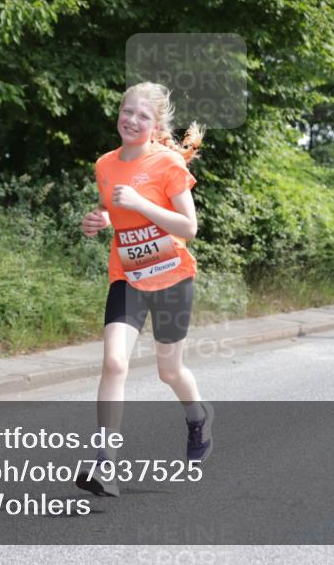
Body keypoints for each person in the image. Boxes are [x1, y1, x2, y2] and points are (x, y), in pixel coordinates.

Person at [75, 82, 211, 497]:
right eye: (127, 111)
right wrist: (100, 220)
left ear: (155, 126)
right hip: (128, 277)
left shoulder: (167, 164)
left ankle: (198, 416)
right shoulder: (105, 165)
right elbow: (112, 210)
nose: (132, 120)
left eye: (143, 116)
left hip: (171, 277)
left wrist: (140, 203)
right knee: (114, 362)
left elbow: (188, 226)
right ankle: (106, 463)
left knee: (169, 371)